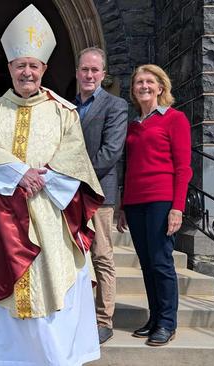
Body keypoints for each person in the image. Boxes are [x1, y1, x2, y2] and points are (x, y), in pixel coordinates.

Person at [0, 5, 104, 365]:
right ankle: (7, 357)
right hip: (5, 216)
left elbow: (77, 159)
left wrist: (44, 179)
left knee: (53, 278)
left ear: (44, 68)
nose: (26, 72)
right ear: (10, 68)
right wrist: (17, 174)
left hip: (51, 215)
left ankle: (56, 356)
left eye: (33, 65)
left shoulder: (63, 112)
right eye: (20, 65)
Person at [117, 64, 192, 346]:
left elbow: (183, 167)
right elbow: (129, 167)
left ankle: (167, 323)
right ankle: (154, 317)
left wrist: (177, 207)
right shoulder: (134, 125)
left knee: (161, 262)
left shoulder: (175, 119)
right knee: (147, 264)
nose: (144, 86)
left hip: (161, 200)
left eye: (149, 82)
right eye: (139, 82)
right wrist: (123, 205)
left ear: (161, 87)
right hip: (135, 202)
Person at [74, 46, 128, 344]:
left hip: (99, 195)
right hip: (69, 195)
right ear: (77, 72)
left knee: (102, 256)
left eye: (95, 70)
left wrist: (74, 175)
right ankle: (79, 315)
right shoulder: (67, 106)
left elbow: (111, 152)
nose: (89, 74)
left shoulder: (115, 106)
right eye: (85, 69)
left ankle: (104, 319)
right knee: (74, 256)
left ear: (103, 74)